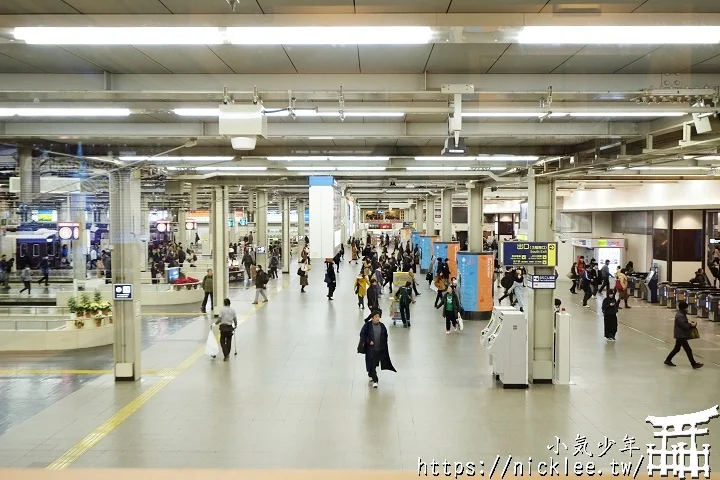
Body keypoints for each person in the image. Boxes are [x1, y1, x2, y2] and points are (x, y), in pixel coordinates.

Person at [358, 310, 396, 388]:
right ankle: (375, 380)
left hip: (379, 350)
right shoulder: (367, 326)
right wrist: (368, 341)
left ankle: (370, 374)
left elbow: (386, 335)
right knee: (372, 364)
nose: (378, 318)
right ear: (372, 318)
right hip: (371, 350)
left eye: (378, 317)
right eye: (376, 317)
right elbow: (362, 335)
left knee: (374, 365)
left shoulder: (382, 326)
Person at [664, 301, 703, 369]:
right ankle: (693, 364)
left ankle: (668, 360)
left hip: (680, 334)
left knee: (677, 349)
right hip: (681, 335)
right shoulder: (680, 315)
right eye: (686, 308)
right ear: (684, 308)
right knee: (688, 350)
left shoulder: (681, 314)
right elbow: (683, 325)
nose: (687, 309)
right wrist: (691, 325)